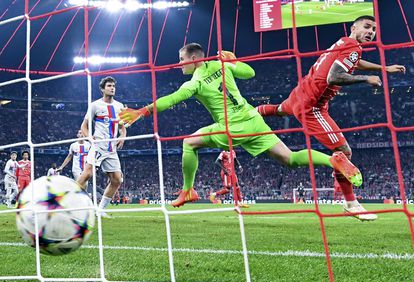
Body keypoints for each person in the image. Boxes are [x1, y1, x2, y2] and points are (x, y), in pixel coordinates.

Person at [119, 43, 362, 208]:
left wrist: (142, 111)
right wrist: (234, 61)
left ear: (194, 59)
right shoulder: (220, 65)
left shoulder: (193, 83)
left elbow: (169, 100)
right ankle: (332, 160)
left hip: (232, 127)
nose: (179, 63)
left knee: (188, 143)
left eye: (182, 60)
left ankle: (188, 190)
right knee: (290, 159)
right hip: (253, 119)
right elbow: (250, 73)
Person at [256, 16, 406, 221]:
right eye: (367, 27)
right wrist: (366, 79)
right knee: (344, 151)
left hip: (301, 92)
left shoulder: (344, 42)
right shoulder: (352, 46)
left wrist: (383, 68)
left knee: (280, 109)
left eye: (374, 29)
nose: (371, 32)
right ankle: (350, 203)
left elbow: (354, 62)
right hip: (312, 106)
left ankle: (250, 112)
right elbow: (333, 77)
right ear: (354, 27)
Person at [77, 76, 126, 218]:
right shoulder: (95, 105)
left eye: (113, 86)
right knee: (87, 174)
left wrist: (122, 136)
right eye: (109, 86)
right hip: (98, 145)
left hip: (112, 149)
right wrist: (89, 138)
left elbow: (122, 127)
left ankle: (100, 210)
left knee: (117, 180)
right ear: (102, 89)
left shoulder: (119, 106)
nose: (112, 88)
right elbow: (84, 126)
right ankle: (65, 202)